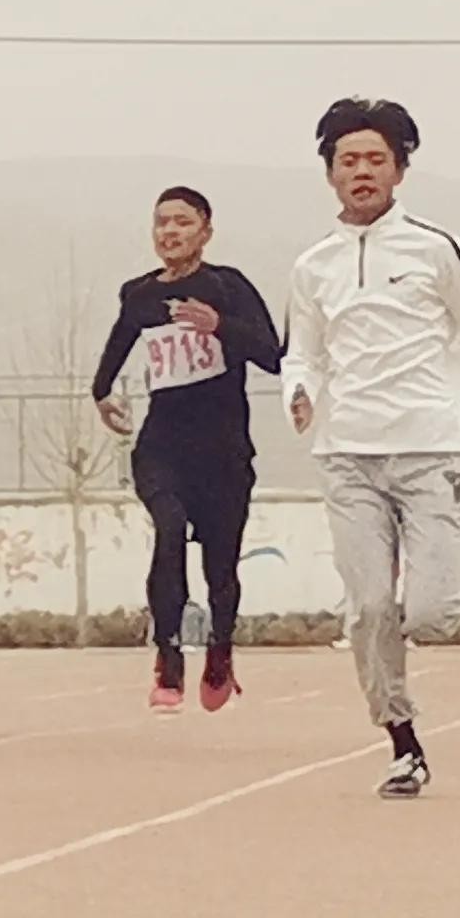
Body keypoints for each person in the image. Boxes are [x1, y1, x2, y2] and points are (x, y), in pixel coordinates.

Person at [282, 98, 460, 799]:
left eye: (375, 160)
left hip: (430, 450)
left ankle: (418, 600)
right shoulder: (313, 265)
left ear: (399, 170)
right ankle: (403, 741)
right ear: (330, 173)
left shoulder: (434, 249)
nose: (362, 171)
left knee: (430, 613)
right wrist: (300, 390)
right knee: (369, 609)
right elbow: (303, 351)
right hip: (347, 455)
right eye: (348, 160)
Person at [91, 187, 282, 714]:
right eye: (162, 222)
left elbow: (273, 355)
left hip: (222, 451)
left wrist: (219, 325)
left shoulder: (227, 286)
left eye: (182, 222)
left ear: (206, 231)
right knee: (169, 530)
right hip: (162, 447)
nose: (170, 232)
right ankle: (168, 652)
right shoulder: (140, 295)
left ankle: (220, 651)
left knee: (221, 566)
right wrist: (101, 394)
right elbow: (117, 346)